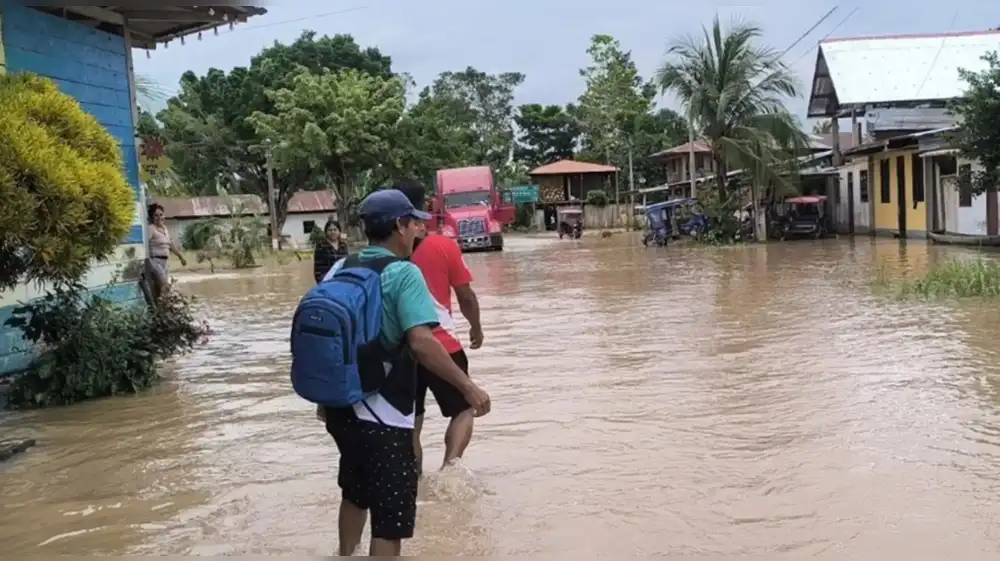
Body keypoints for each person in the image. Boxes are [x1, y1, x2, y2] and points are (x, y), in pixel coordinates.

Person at [319, 189, 491, 557]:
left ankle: (344, 554)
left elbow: (326, 335)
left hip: (340, 406)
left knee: (355, 492)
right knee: (389, 518)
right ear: (399, 226)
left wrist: (324, 399)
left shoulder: (340, 267)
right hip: (383, 412)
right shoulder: (403, 273)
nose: (417, 230)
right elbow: (421, 343)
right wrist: (469, 388)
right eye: (413, 223)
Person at [394, 180, 484, 474]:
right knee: (464, 409)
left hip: (400, 350)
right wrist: (476, 327)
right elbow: (466, 296)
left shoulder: (384, 254)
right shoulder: (443, 246)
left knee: (411, 423)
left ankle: (413, 482)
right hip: (442, 345)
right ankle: (450, 471)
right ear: (424, 208)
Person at [146, 203, 186, 298]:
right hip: (155, 261)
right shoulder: (151, 228)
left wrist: (180, 257)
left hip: (164, 261)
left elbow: (170, 244)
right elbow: (145, 243)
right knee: (165, 286)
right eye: (156, 215)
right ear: (152, 217)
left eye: (161, 214)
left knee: (159, 289)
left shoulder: (165, 228)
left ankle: (158, 309)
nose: (159, 217)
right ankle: (164, 307)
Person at [313, 219, 348, 283]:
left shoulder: (343, 245)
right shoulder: (321, 246)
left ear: (339, 231)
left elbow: (347, 263)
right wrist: (321, 282)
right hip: (327, 280)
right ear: (326, 232)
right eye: (330, 230)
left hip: (342, 279)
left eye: (335, 230)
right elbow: (318, 268)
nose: (332, 232)